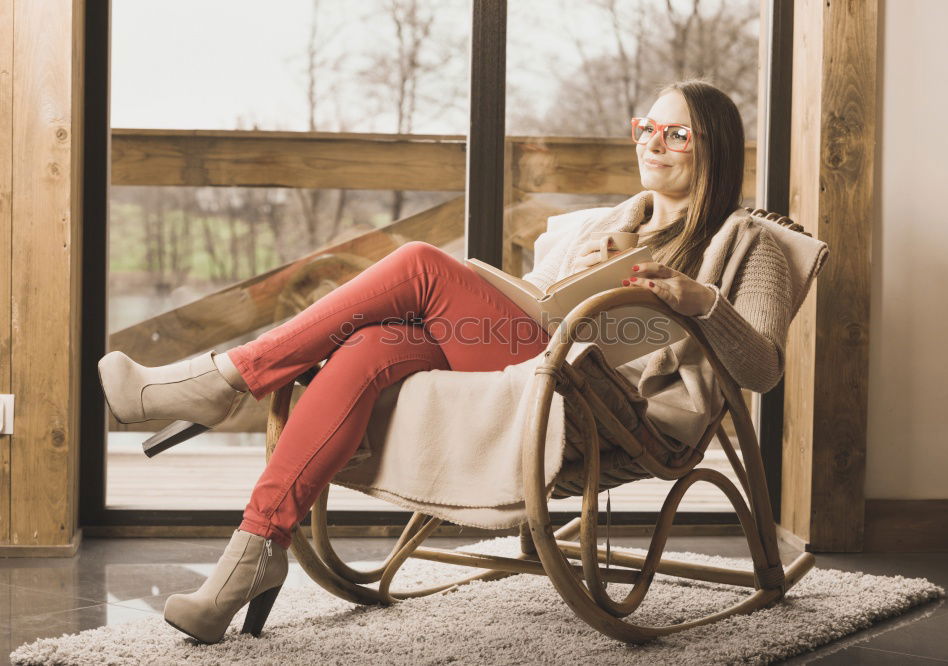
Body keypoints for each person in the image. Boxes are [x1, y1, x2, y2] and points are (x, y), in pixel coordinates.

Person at [97, 78, 792, 644]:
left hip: (611, 410)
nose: (655, 145)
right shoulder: (608, 226)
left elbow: (761, 369)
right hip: (547, 368)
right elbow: (545, 308)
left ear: (715, 150)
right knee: (374, 345)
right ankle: (253, 552)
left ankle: (223, 381)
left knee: (422, 266)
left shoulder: (747, 245)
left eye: (678, 134)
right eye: (647, 128)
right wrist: (581, 269)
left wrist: (699, 299)